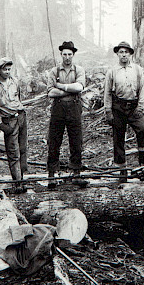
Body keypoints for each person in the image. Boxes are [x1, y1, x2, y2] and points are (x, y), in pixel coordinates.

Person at [104, 41, 144, 183]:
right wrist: (108, 111)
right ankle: (121, 169)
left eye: (126, 52)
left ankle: (143, 158)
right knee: (118, 137)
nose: (123, 55)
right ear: (117, 54)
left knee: (143, 129)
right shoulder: (112, 71)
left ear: (130, 54)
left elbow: (143, 88)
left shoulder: (137, 69)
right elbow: (107, 92)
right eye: (121, 52)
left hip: (134, 106)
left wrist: (140, 106)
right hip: (118, 107)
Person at [46, 41, 88, 188]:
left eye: (70, 54)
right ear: (61, 55)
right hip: (58, 108)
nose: (67, 57)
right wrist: (68, 91)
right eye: (65, 54)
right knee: (54, 140)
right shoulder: (54, 71)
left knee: (76, 140)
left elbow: (79, 87)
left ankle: (76, 173)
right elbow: (50, 92)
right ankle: (52, 174)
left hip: (74, 107)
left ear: (73, 55)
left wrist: (62, 87)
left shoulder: (79, 70)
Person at [0, 57, 28, 194]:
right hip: (8, 121)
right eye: (4, 69)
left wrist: (21, 113)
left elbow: (19, 98)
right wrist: (0, 123)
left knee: (23, 149)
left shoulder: (14, 81)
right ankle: (17, 183)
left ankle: (23, 180)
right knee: (13, 153)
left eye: (9, 69)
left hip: (20, 117)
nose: (7, 72)